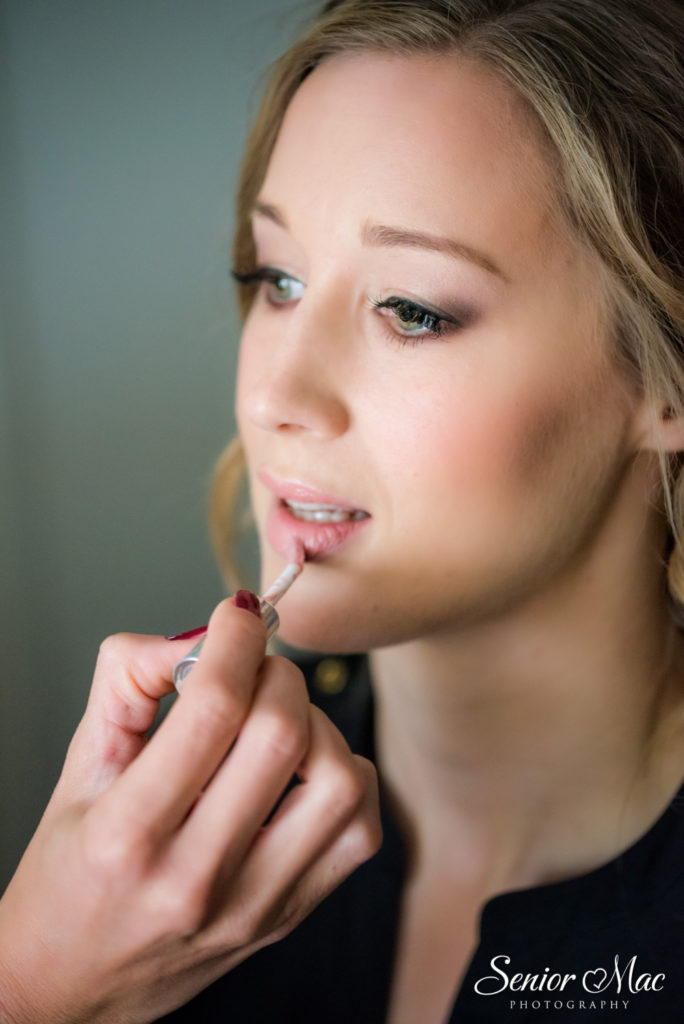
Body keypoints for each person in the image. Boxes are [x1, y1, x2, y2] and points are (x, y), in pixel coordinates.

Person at [1, 0, 683, 1020]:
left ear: (662, 380)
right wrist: (39, 979)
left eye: (411, 310)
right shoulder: (147, 857)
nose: (273, 396)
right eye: (277, 277)